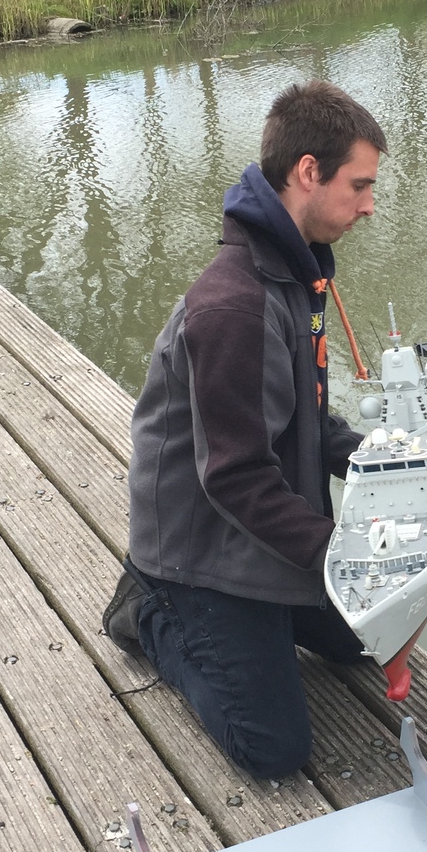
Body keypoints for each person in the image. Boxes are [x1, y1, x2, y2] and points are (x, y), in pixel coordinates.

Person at [122, 80, 387, 780]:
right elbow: (236, 478)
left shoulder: (293, 273)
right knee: (273, 748)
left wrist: (383, 458)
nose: (369, 205)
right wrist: (337, 553)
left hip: (256, 527)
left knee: (362, 642)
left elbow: (304, 419)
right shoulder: (233, 306)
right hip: (200, 548)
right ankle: (151, 613)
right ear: (309, 171)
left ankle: (280, 614)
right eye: (359, 186)